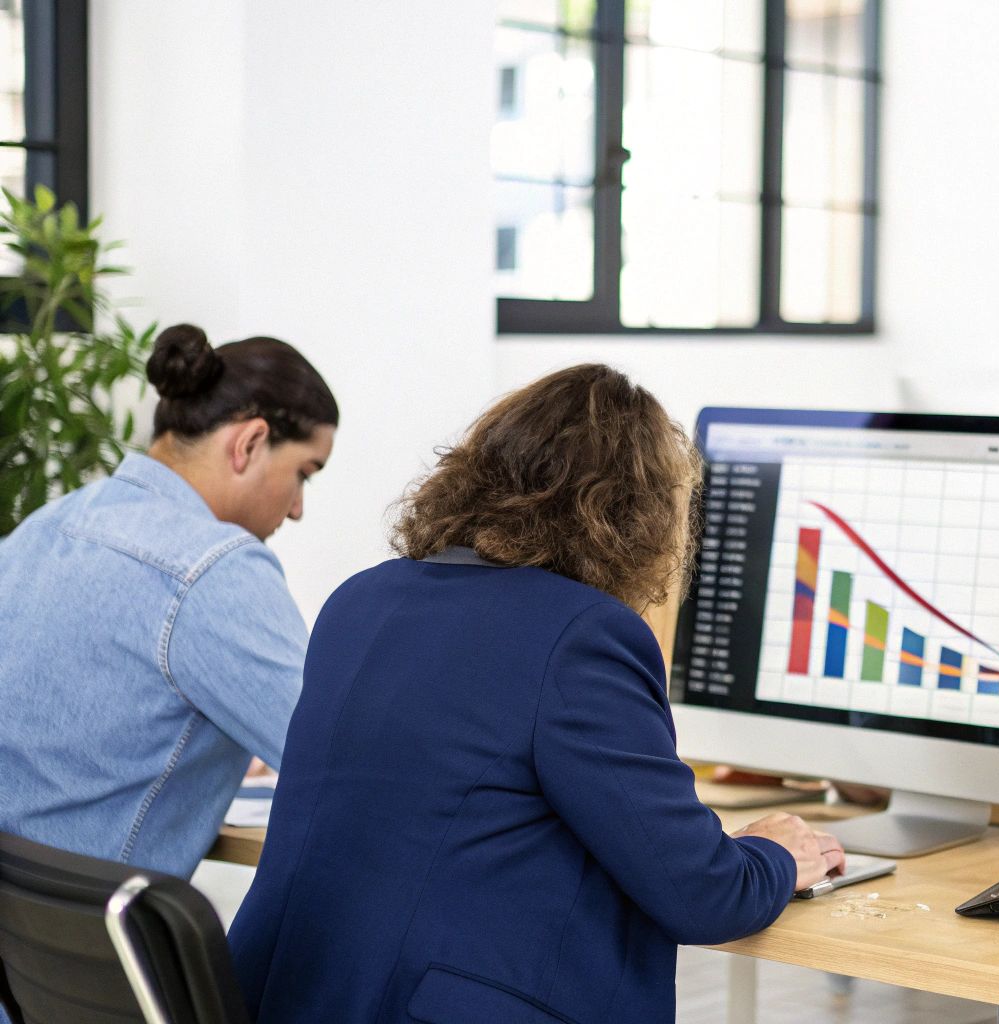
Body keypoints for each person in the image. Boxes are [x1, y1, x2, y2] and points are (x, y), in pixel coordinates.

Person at [229, 364, 844, 1023]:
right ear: (634, 518)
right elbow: (702, 893)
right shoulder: (582, 636)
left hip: (287, 1000)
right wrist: (778, 852)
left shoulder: (360, 600)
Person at [0, 324, 338, 878]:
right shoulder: (214, 565)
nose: (298, 507)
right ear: (250, 442)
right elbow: (340, 762)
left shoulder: (47, 525)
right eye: (303, 473)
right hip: (104, 945)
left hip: (28, 943)